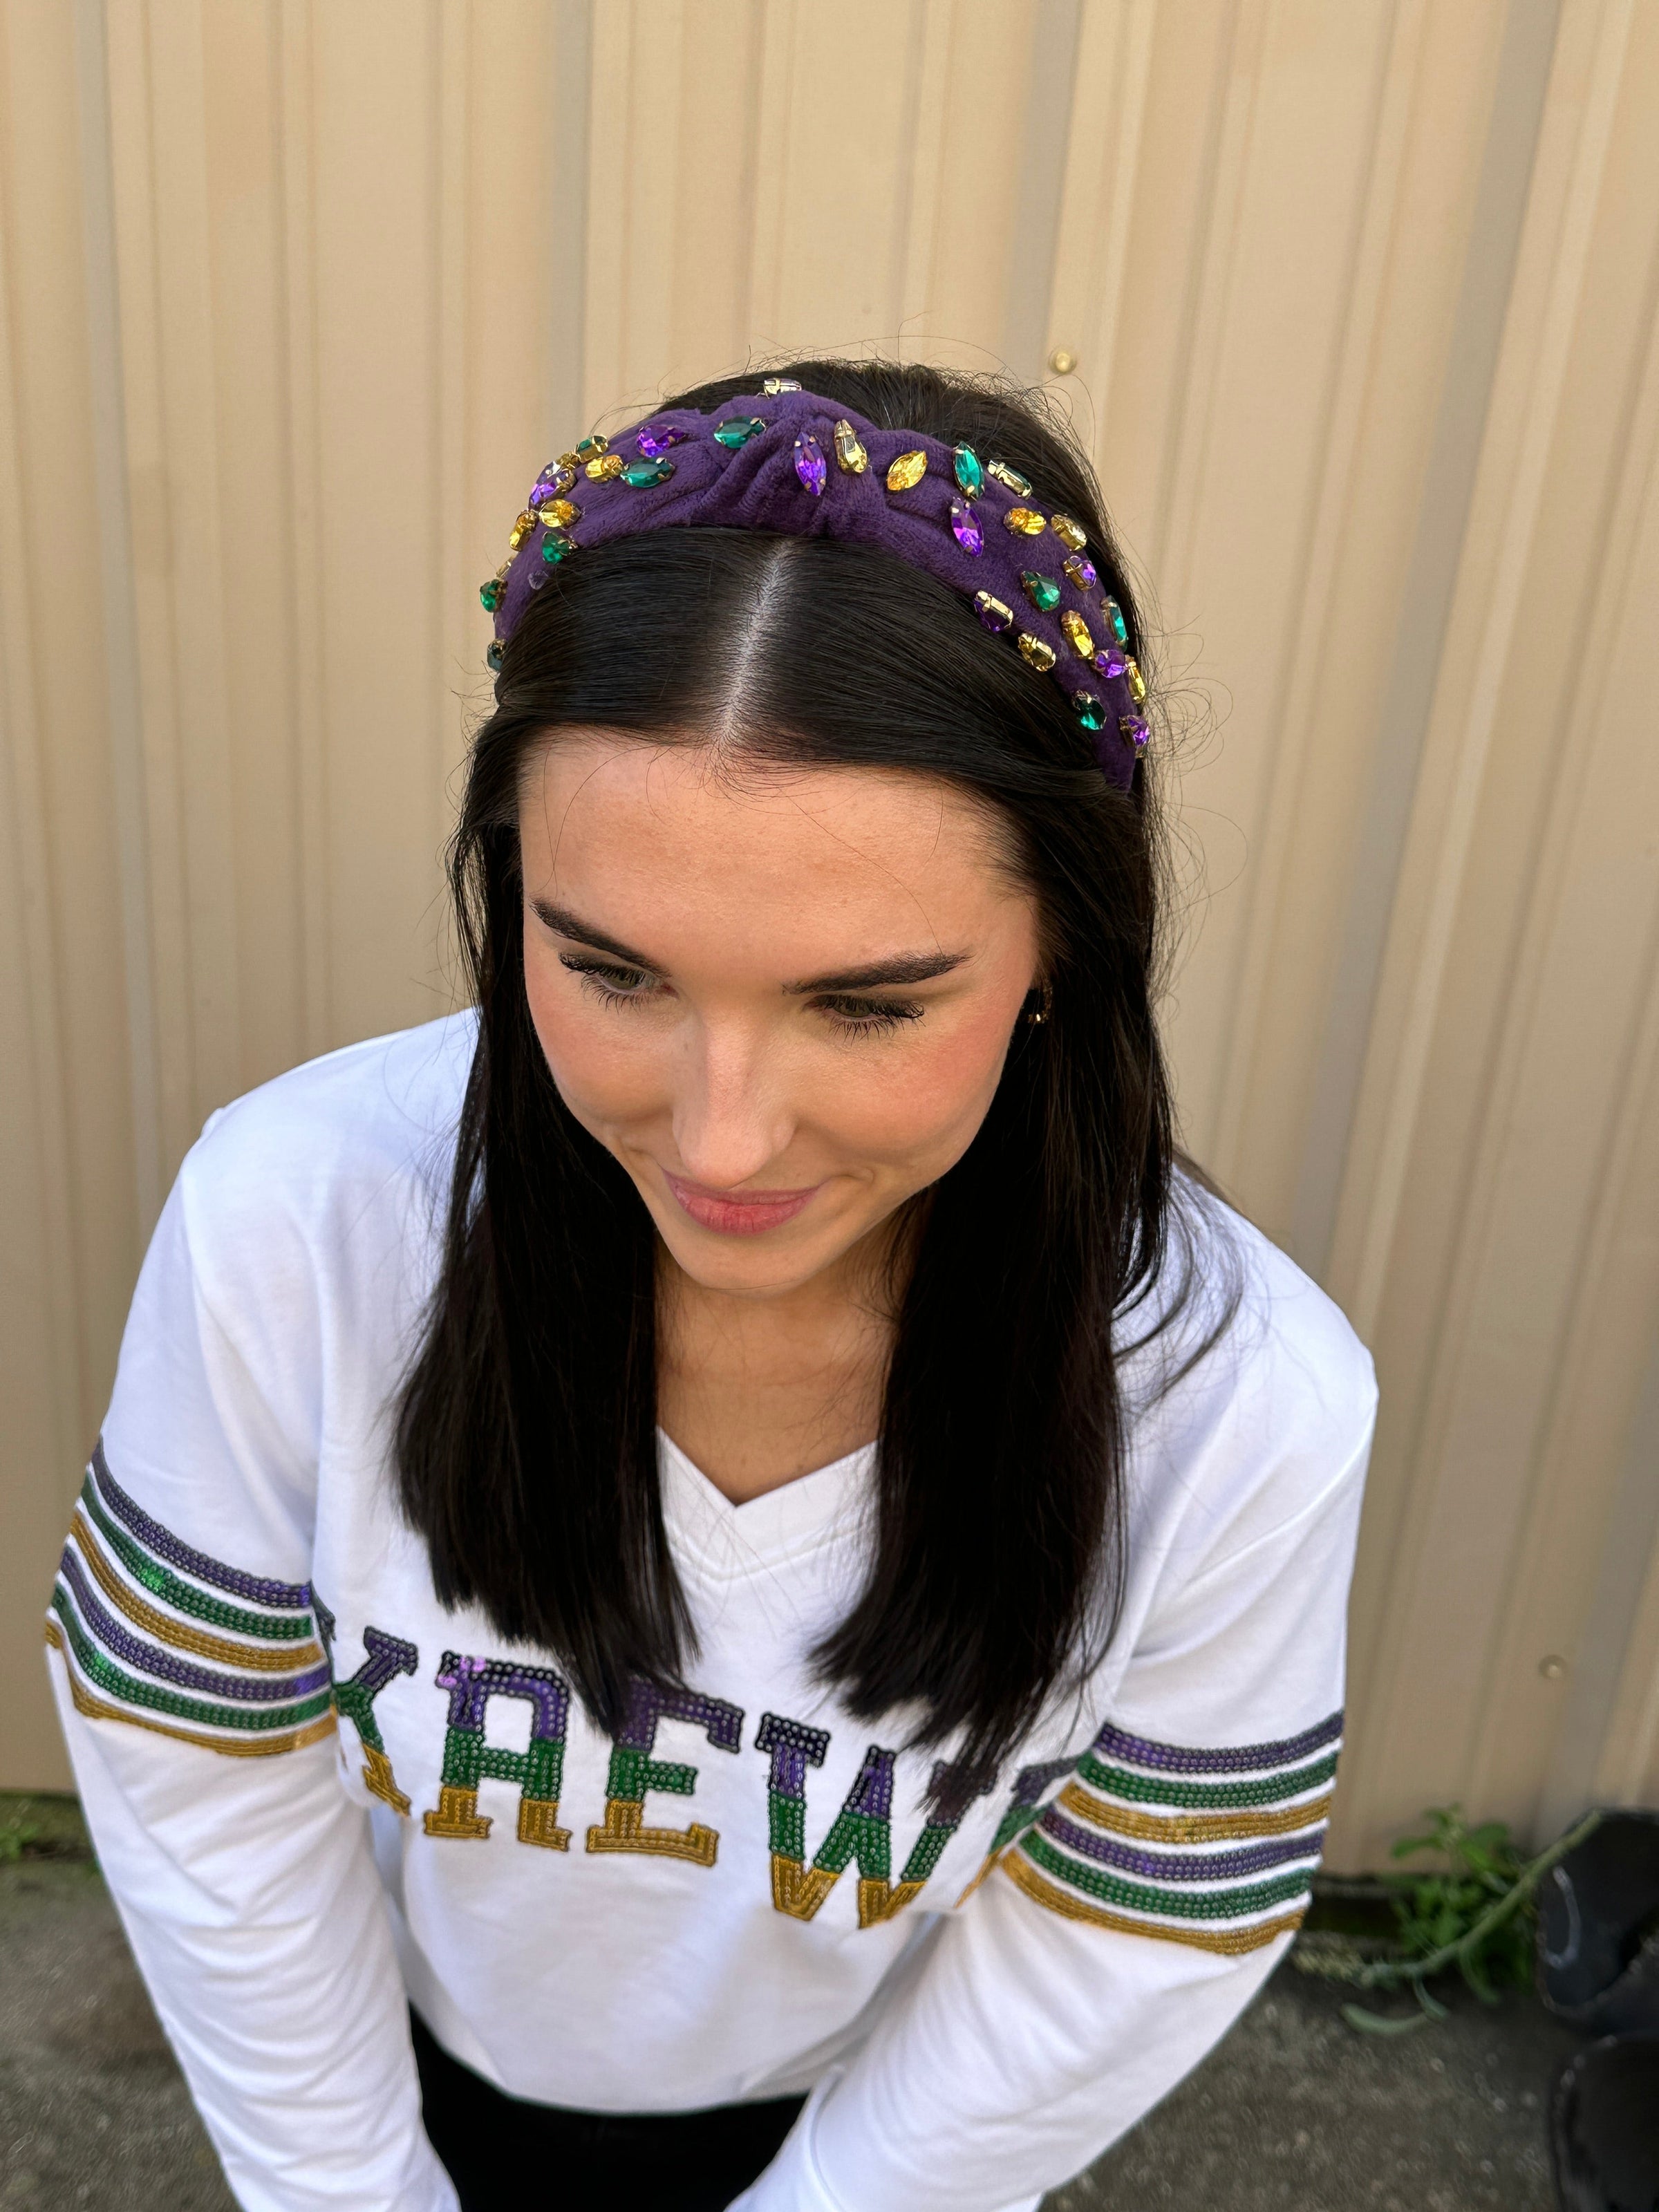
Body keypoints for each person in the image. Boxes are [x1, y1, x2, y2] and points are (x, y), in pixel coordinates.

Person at [46, 361, 1376, 2212]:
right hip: (380, 2074)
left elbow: (1130, 1924)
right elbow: (199, 1754)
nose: (723, 1139)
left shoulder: (1238, 1407)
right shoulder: (293, 1227)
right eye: (613, 973)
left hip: (872, 2132)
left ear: (1067, 943)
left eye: (868, 1005)